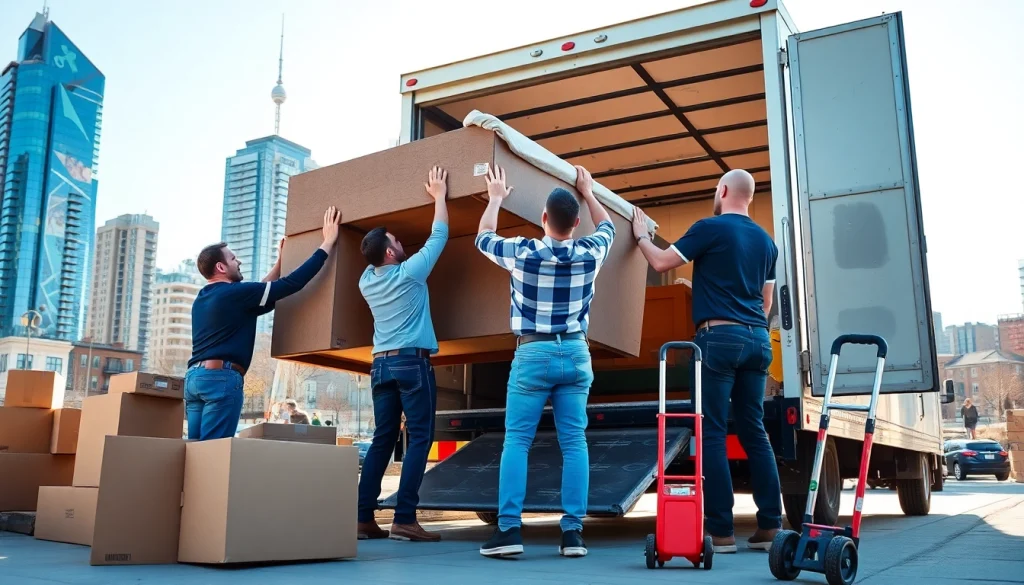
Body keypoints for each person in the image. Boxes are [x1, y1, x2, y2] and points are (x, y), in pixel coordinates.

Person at [632, 169, 782, 553]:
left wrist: (641, 238)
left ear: (724, 190)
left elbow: (663, 263)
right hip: (758, 340)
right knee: (754, 430)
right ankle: (769, 526)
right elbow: (766, 304)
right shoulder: (767, 243)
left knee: (713, 431)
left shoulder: (710, 228)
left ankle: (722, 531)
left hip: (720, 338)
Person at [476, 165, 614, 559]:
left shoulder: (522, 251)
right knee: (574, 443)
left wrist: (497, 197)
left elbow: (483, 237)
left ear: (543, 219)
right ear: (576, 223)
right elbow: (609, 228)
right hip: (575, 351)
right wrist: (589, 192)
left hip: (533, 353)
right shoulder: (590, 254)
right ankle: (573, 534)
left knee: (518, 441)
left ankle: (509, 531)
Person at [186, 207, 340, 441]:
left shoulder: (204, 298)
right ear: (220, 267)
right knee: (213, 451)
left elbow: (259, 294)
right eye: (233, 258)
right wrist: (327, 243)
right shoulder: (233, 294)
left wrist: (280, 261)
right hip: (220, 379)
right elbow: (291, 284)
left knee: (194, 450)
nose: (238, 261)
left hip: (194, 380)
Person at [356, 167, 449, 543]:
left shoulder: (366, 281)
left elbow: (371, 256)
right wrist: (439, 196)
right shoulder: (410, 273)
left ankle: (362, 518)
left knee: (382, 439)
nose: (400, 242)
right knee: (421, 437)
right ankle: (405, 519)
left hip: (380, 365)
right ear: (392, 252)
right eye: (395, 240)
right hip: (411, 362)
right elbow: (439, 234)